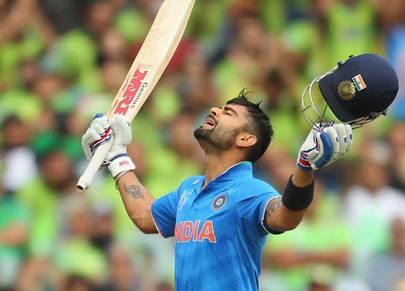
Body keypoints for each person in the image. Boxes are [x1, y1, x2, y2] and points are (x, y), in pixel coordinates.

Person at [81, 90, 353, 290]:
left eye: (228, 113)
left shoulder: (250, 190)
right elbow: (145, 216)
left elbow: (287, 216)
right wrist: (117, 159)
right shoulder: (189, 189)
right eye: (220, 108)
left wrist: (304, 167)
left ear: (246, 138)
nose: (214, 110)